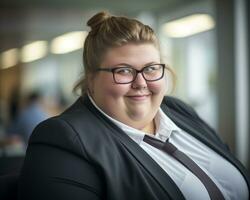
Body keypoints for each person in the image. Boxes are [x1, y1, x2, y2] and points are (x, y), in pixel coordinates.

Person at [18, 11, 249, 200]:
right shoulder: (63, 139)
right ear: (91, 79)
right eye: (124, 71)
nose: (141, 83)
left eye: (150, 68)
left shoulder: (178, 110)